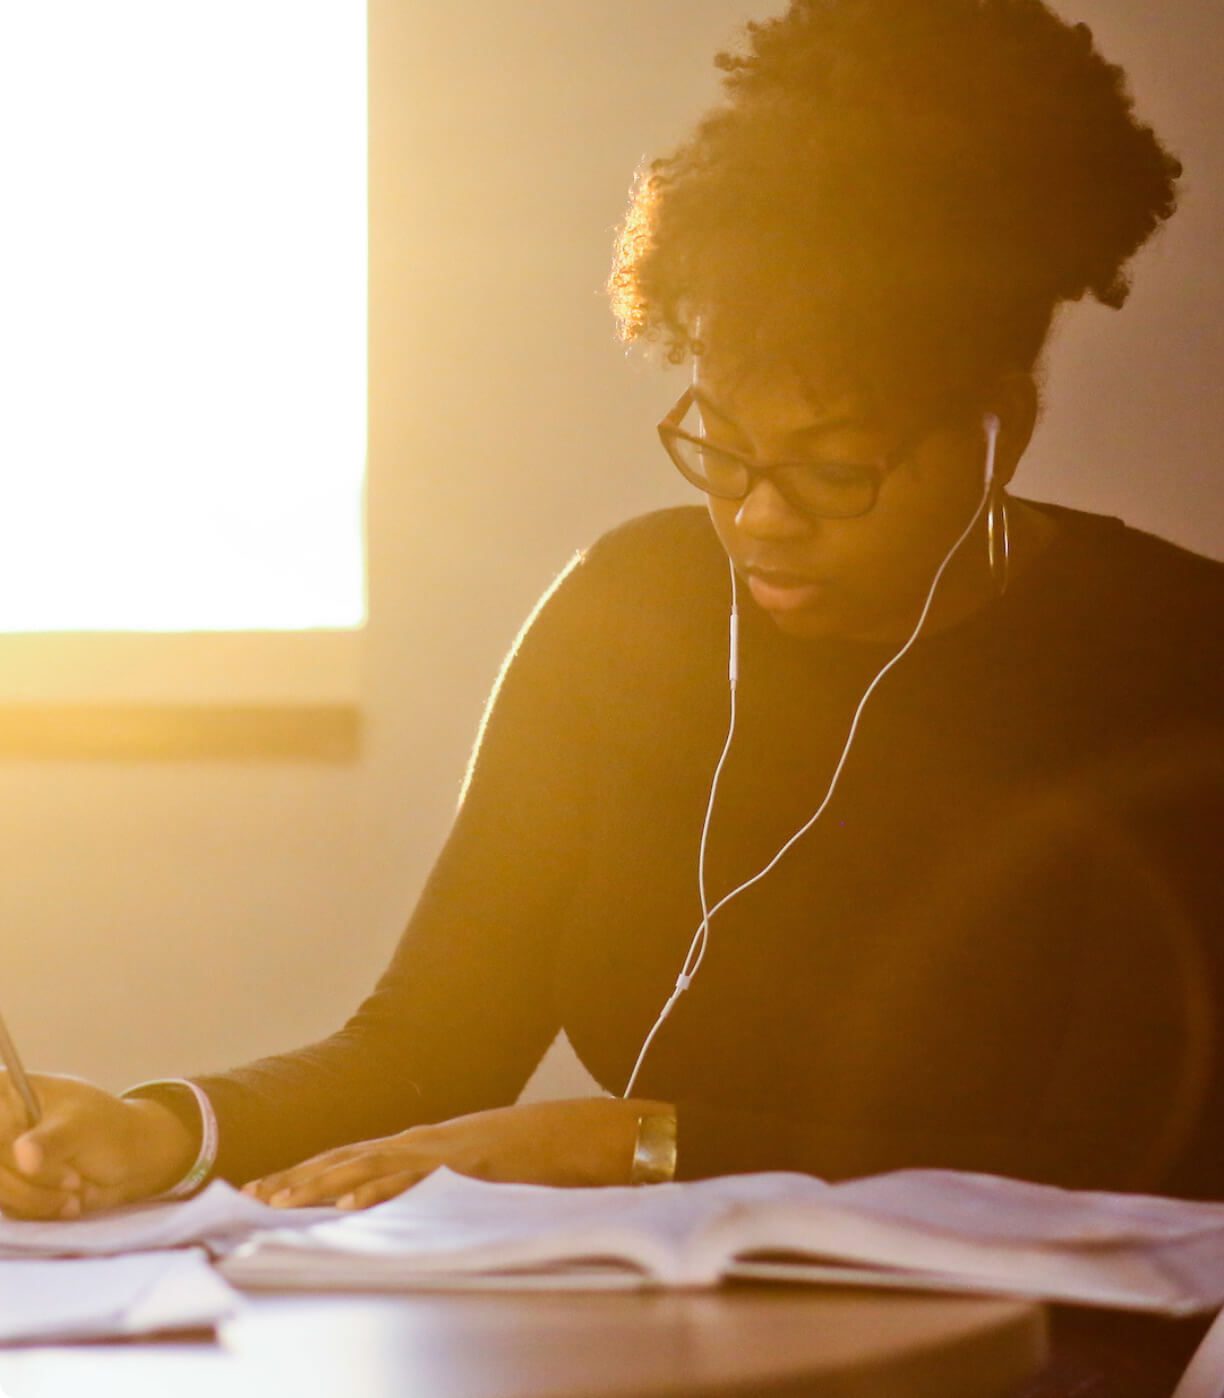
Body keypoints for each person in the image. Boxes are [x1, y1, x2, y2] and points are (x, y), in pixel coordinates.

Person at [2, 0, 1221, 1388]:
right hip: (658, 1340)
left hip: (1032, 1357)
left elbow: (1127, 1154)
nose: (756, 518)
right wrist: (166, 1128)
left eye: (836, 468)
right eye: (721, 444)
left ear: (1006, 415)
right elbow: (430, 1042)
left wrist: (625, 1139)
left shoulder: (1173, 657)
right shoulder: (627, 609)